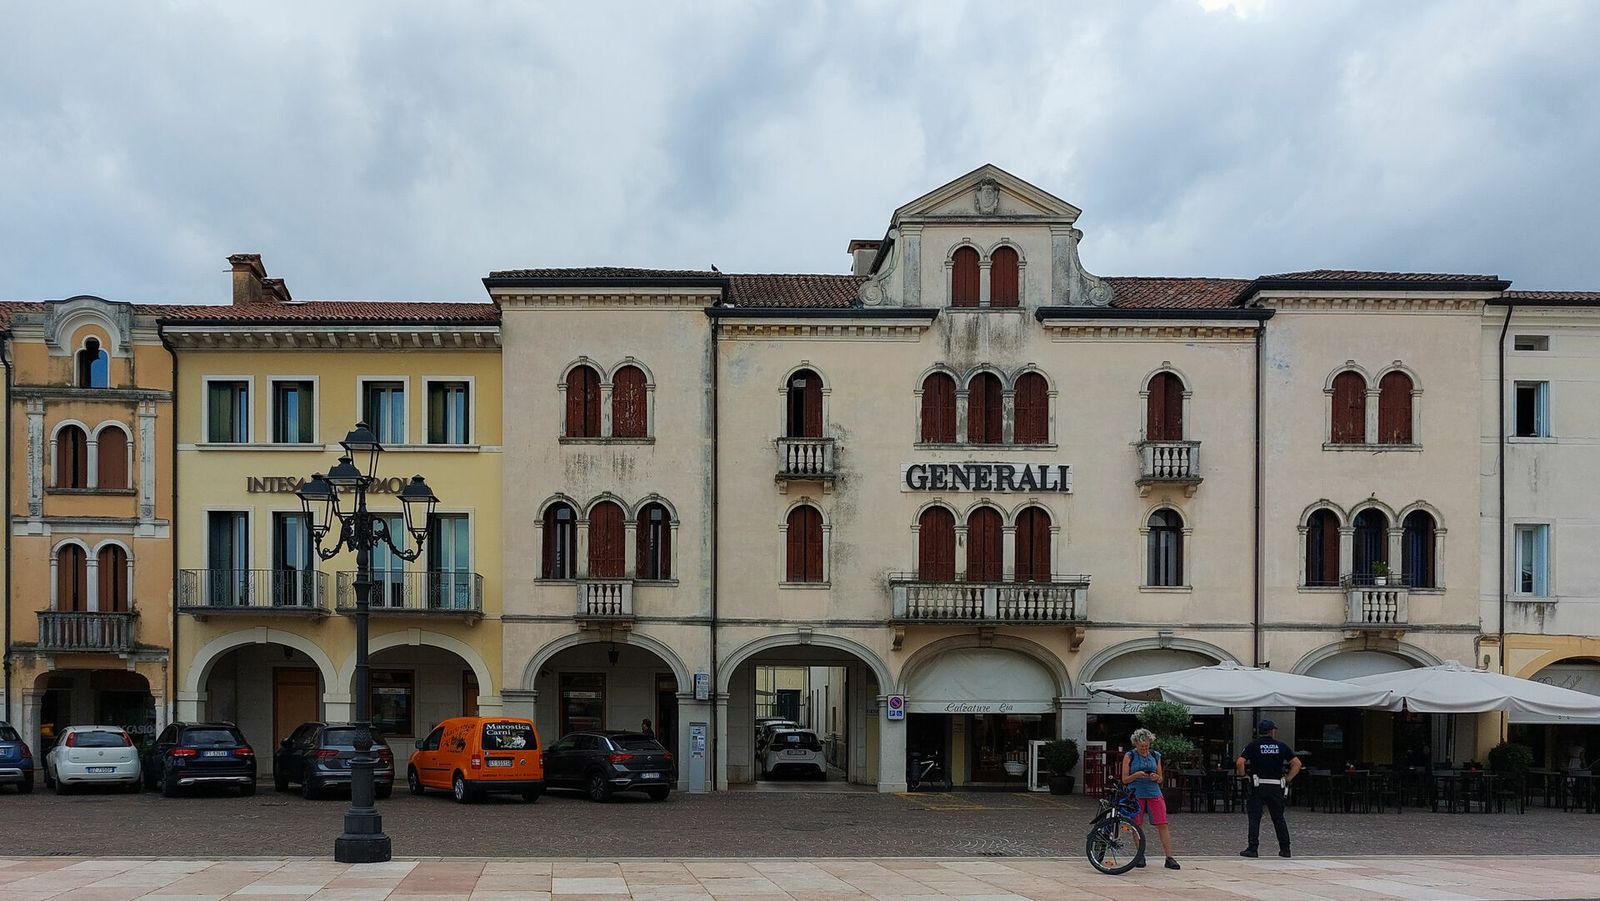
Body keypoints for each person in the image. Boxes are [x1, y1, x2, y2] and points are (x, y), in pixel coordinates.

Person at [1236, 719, 1302, 859]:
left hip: (1258, 785)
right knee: (1278, 818)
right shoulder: (1281, 746)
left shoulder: (1253, 745)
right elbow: (1297, 764)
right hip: (1276, 786)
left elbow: (1240, 762)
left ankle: (1253, 848)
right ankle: (1285, 849)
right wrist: (1288, 779)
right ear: (1272, 731)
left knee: (1255, 817)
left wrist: (1243, 776)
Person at [1121, 728, 1180, 870]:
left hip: (1154, 792)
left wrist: (1156, 777)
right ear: (1136, 744)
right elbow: (1125, 779)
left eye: (1146, 746)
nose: (1144, 749)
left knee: (1162, 823)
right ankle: (1140, 854)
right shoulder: (1129, 756)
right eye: (1141, 746)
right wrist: (1136, 775)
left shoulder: (1155, 755)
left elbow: (1161, 779)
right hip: (1136, 792)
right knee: (1137, 824)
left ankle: (1169, 857)